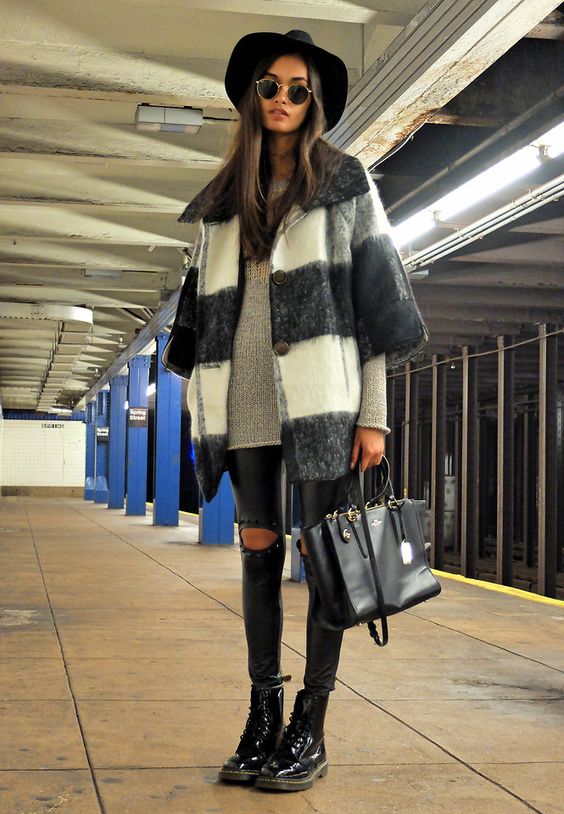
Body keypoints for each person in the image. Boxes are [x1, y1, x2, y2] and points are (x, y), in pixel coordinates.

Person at [163, 30, 428, 793]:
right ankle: (262, 713)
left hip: (325, 399)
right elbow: (203, 314)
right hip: (242, 391)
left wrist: (373, 415)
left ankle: (310, 722)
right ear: (252, 96)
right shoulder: (220, 200)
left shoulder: (346, 184)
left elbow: (375, 309)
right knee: (256, 550)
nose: (282, 99)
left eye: (298, 90)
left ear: (314, 105)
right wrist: (197, 401)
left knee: (323, 559)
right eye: (271, 86)